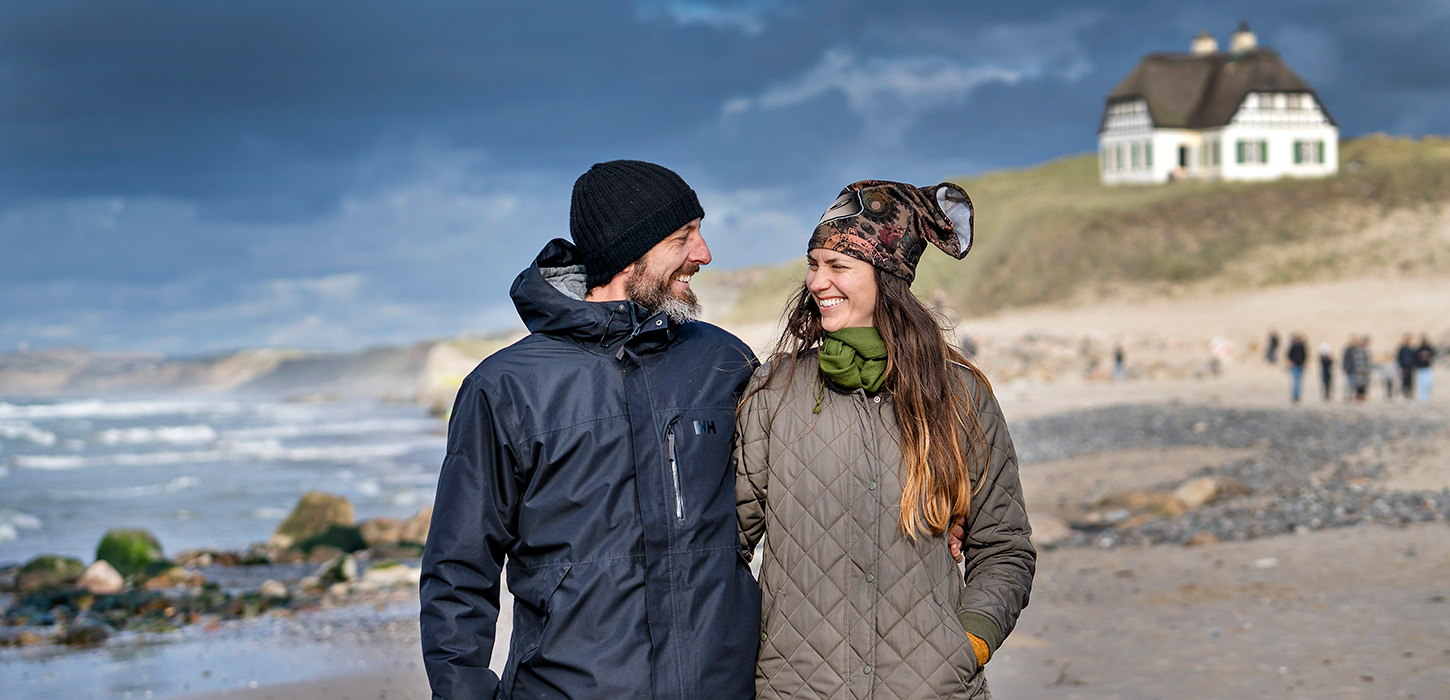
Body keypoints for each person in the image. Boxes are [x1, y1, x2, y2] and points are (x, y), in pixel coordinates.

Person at [418, 160, 762, 699]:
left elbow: (804, 467)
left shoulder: (723, 360)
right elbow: (459, 570)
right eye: (683, 237)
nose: (705, 253)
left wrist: (942, 490)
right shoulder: (505, 387)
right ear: (631, 252)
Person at [735, 179, 1035, 699]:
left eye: (838, 266)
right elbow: (726, 546)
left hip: (934, 689)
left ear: (887, 276)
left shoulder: (961, 396)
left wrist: (967, 645)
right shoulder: (774, 392)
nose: (816, 282)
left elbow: (1004, 547)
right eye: (813, 264)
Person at [1286, 332, 1307, 403]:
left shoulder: (1302, 346)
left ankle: (1298, 395)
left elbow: (1305, 355)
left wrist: (1304, 362)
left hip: (1300, 366)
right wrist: (1291, 362)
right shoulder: (1293, 346)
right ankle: (1294, 395)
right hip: (1294, 366)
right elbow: (1289, 355)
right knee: (1295, 381)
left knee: (1299, 381)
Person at [1416, 334, 1436, 403]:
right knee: (1422, 384)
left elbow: (1434, 354)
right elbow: (1415, 358)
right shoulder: (1419, 349)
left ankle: (1426, 397)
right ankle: (1422, 398)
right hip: (1421, 369)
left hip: (1428, 368)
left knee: (1429, 383)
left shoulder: (1429, 348)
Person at [1397, 334, 1417, 400]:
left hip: (1410, 368)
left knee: (1410, 382)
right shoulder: (1402, 349)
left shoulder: (1412, 349)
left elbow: (1415, 358)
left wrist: (1414, 366)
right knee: (1404, 381)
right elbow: (1399, 358)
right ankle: (1403, 394)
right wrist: (1401, 367)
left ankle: (1409, 395)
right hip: (1404, 368)